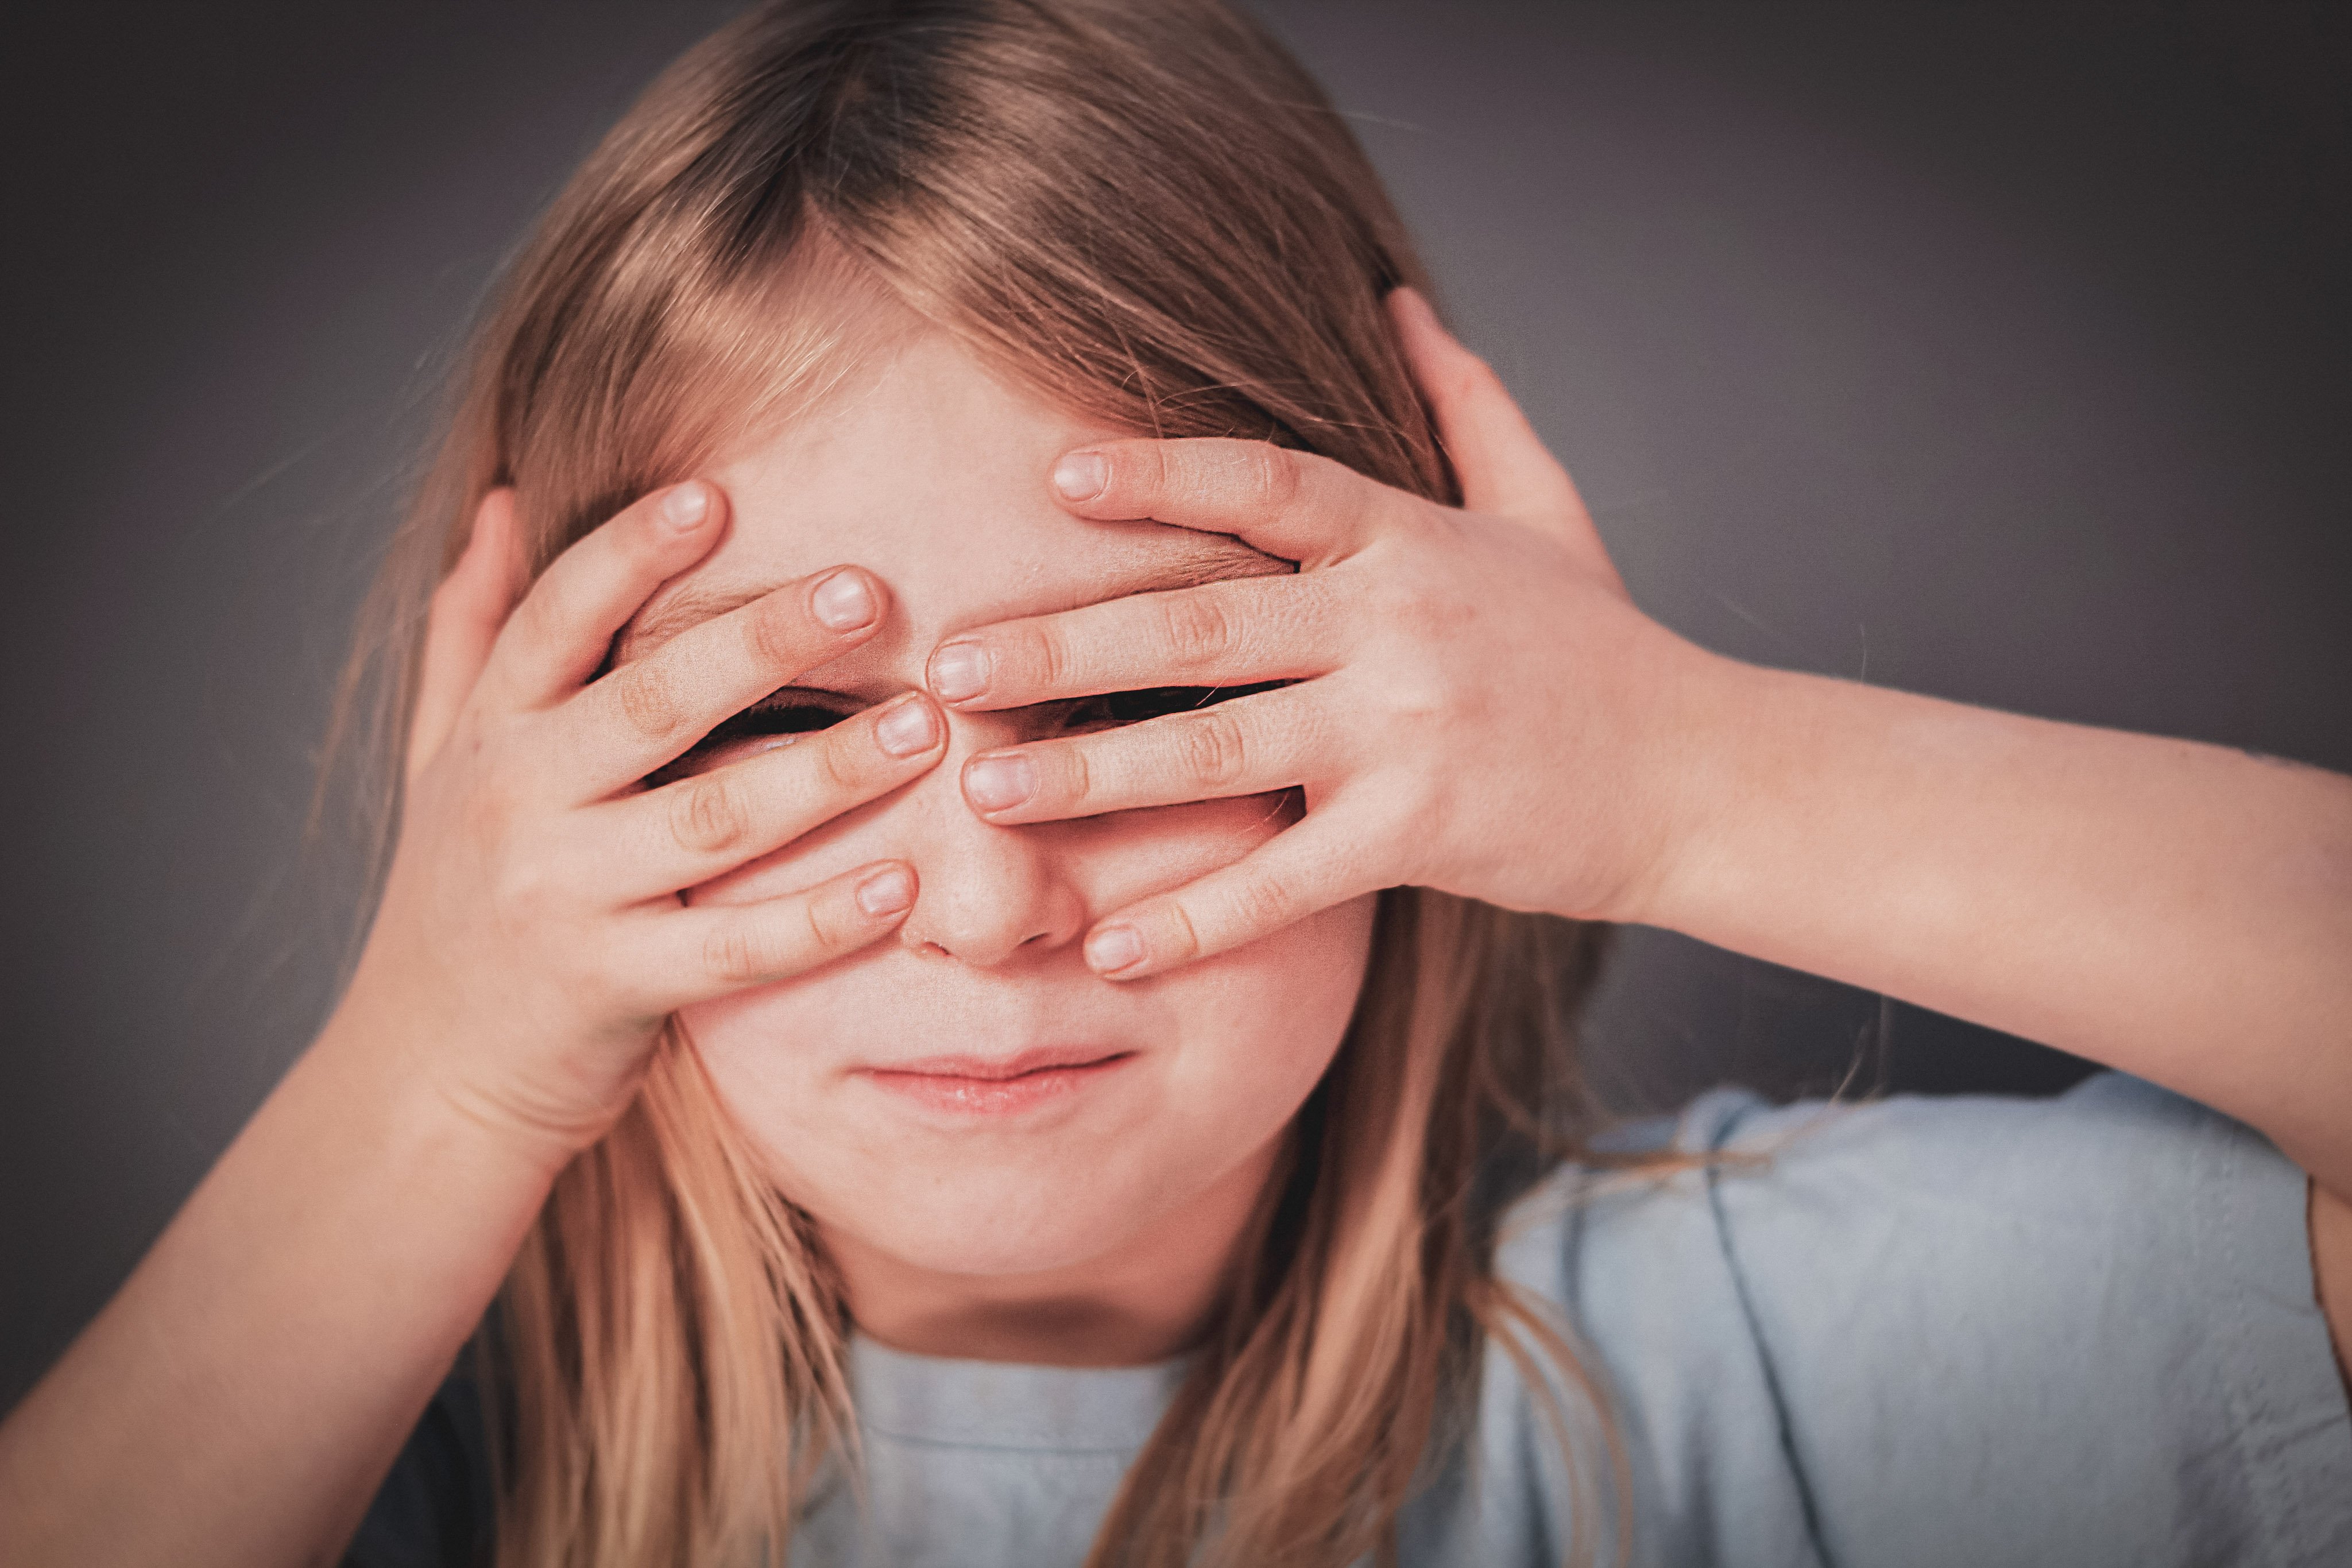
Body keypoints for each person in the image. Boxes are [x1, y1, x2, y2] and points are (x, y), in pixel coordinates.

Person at [1, 1, 2346, 1564]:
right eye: (781, 729)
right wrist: (435, 1069)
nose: (989, 905)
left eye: (1138, 707)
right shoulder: (356, 1448)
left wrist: (1678, 768)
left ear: (1440, 717)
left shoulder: (1772, 1352)